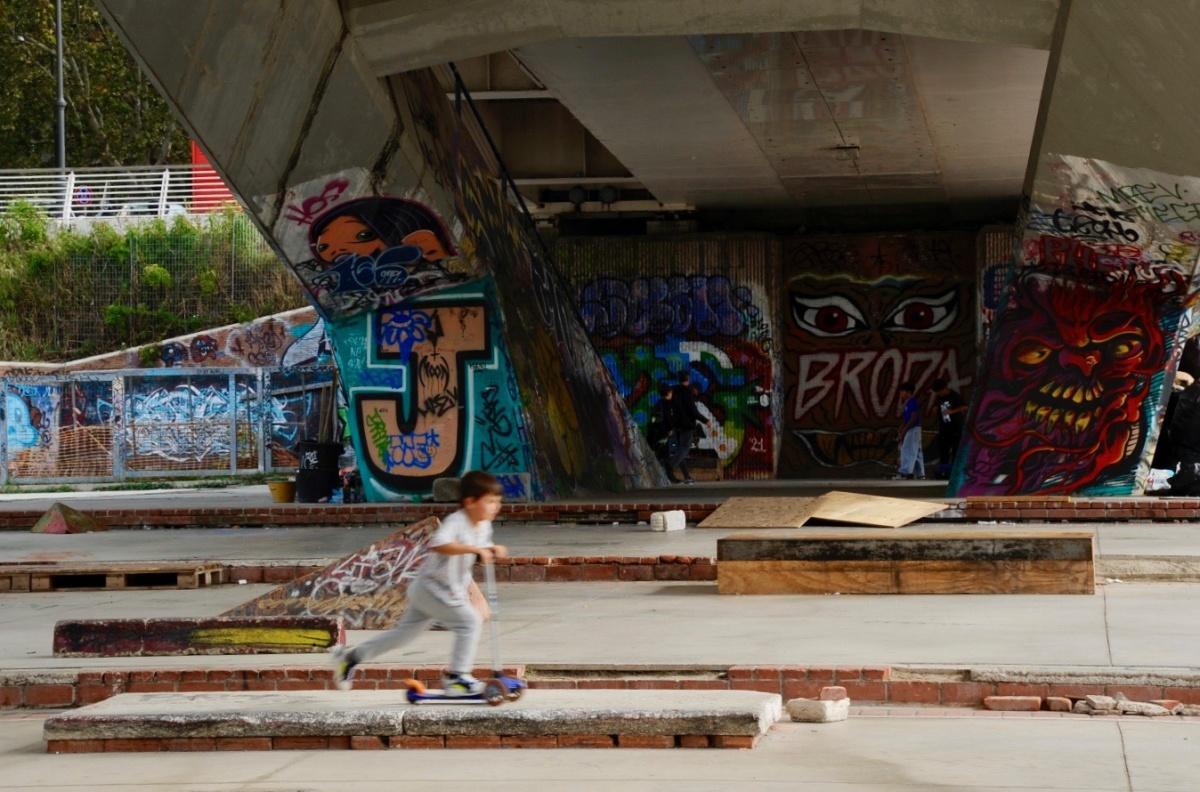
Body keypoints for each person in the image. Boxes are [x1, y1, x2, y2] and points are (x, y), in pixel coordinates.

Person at [331, 470, 508, 695]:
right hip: (433, 590)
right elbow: (438, 544)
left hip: (440, 590)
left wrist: (492, 549)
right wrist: (475, 549)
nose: (496, 506)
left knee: (402, 636)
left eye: (498, 501)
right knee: (469, 622)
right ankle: (457, 678)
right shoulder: (457, 521)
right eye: (491, 501)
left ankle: (350, 658)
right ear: (470, 502)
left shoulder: (483, 525)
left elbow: (481, 549)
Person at [667, 371, 706, 485]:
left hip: (676, 425)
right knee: (684, 448)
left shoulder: (673, 390)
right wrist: (705, 420)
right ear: (688, 379)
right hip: (687, 425)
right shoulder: (688, 392)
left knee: (680, 450)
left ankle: (687, 476)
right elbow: (693, 411)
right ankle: (669, 466)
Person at [931, 378, 967, 478]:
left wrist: (952, 411)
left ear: (944, 389)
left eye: (939, 392)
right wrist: (935, 409)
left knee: (956, 451)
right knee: (943, 451)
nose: (939, 394)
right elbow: (937, 407)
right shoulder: (939, 398)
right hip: (944, 428)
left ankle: (955, 472)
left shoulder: (955, 396)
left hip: (955, 428)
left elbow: (964, 407)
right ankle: (944, 472)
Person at [894, 381, 925, 480]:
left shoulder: (912, 402)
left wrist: (905, 430)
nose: (900, 394)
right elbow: (906, 418)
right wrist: (901, 426)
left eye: (902, 392)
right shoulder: (908, 403)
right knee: (916, 452)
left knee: (908, 450)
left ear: (908, 392)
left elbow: (913, 417)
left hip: (913, 429)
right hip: (912, 428)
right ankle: (920, 473)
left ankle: (906, 472)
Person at [647, 384, 677, 482]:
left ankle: (666, 476)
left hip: (656, 434)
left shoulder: (658, 404)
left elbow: (654, 419)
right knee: (664, 455)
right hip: (662, 433)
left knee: (661, 455)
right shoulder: (666, 404)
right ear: (668, 393)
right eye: (671, 392)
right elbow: (667, 419)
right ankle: (668, 477)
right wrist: (669, 430)